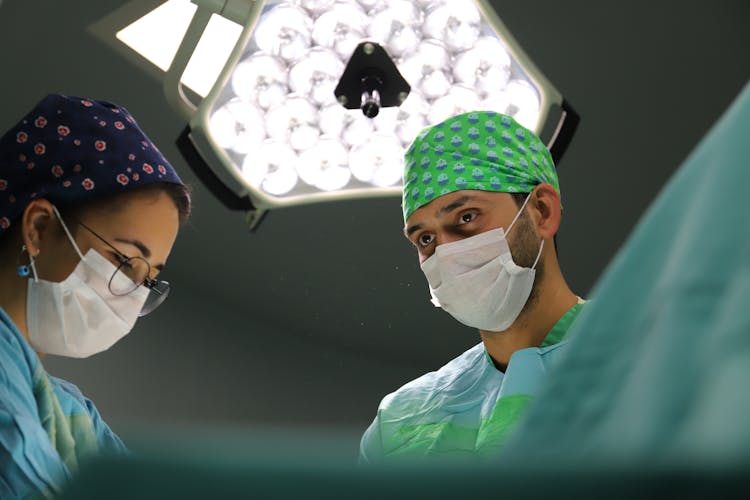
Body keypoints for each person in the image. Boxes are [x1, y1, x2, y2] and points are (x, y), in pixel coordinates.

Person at [360, 111, 584, 462]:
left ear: (541, 211)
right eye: (425, 238)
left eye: (466, 217)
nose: (445, 252)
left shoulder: (646, 353)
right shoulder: (401, 421)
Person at [0, 94, 191, 498]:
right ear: (38, 228)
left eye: (149, 278)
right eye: (126, 261)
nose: (134, 295)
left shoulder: (73, 414)